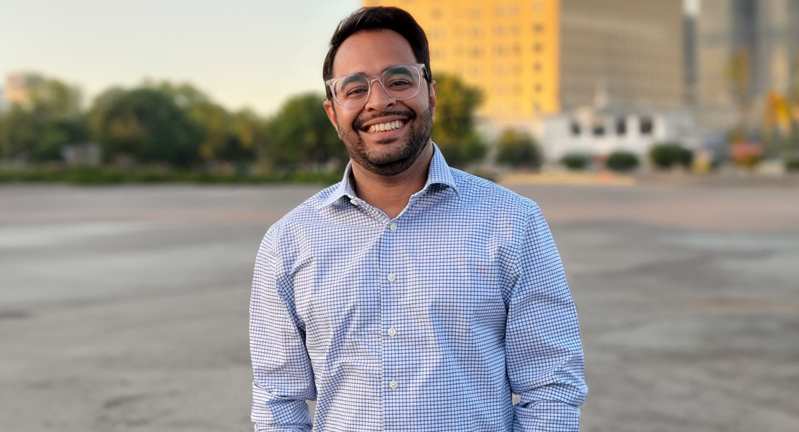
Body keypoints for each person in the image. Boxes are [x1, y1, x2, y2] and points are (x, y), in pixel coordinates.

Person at [249, 6, 587, 431]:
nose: (379, 101)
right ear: (334, 113)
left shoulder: (513, 223)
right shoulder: (288, 243)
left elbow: (551, 385)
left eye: (399, 80)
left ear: (430, 92)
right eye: (354, 88)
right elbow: (278, 402)